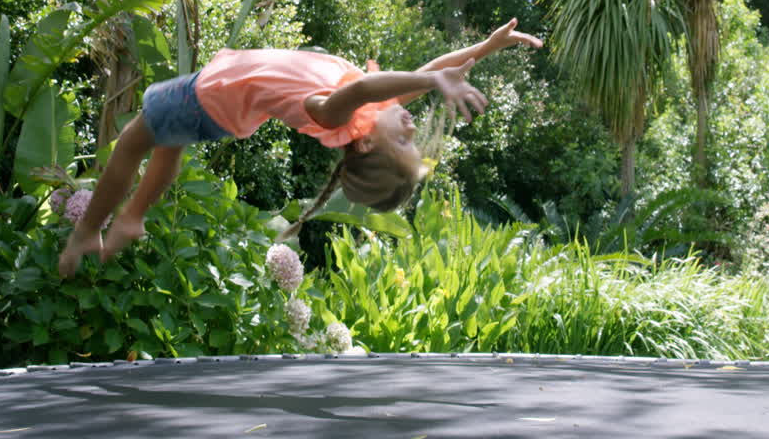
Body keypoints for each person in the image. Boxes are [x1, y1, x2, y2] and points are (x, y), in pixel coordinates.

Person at [58, 19, 542, 277]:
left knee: (132, 143)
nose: (411, 127)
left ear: (366, 143)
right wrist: (485, 47)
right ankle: (132, 216)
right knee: (167, 144)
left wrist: (434, 82)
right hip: (220, 101)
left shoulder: (338, 117)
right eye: (412, 137)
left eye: (403, 140)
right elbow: (430, 69)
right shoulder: (374, 113)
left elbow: (364, 88)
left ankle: (88, 229)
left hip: (211, 97)